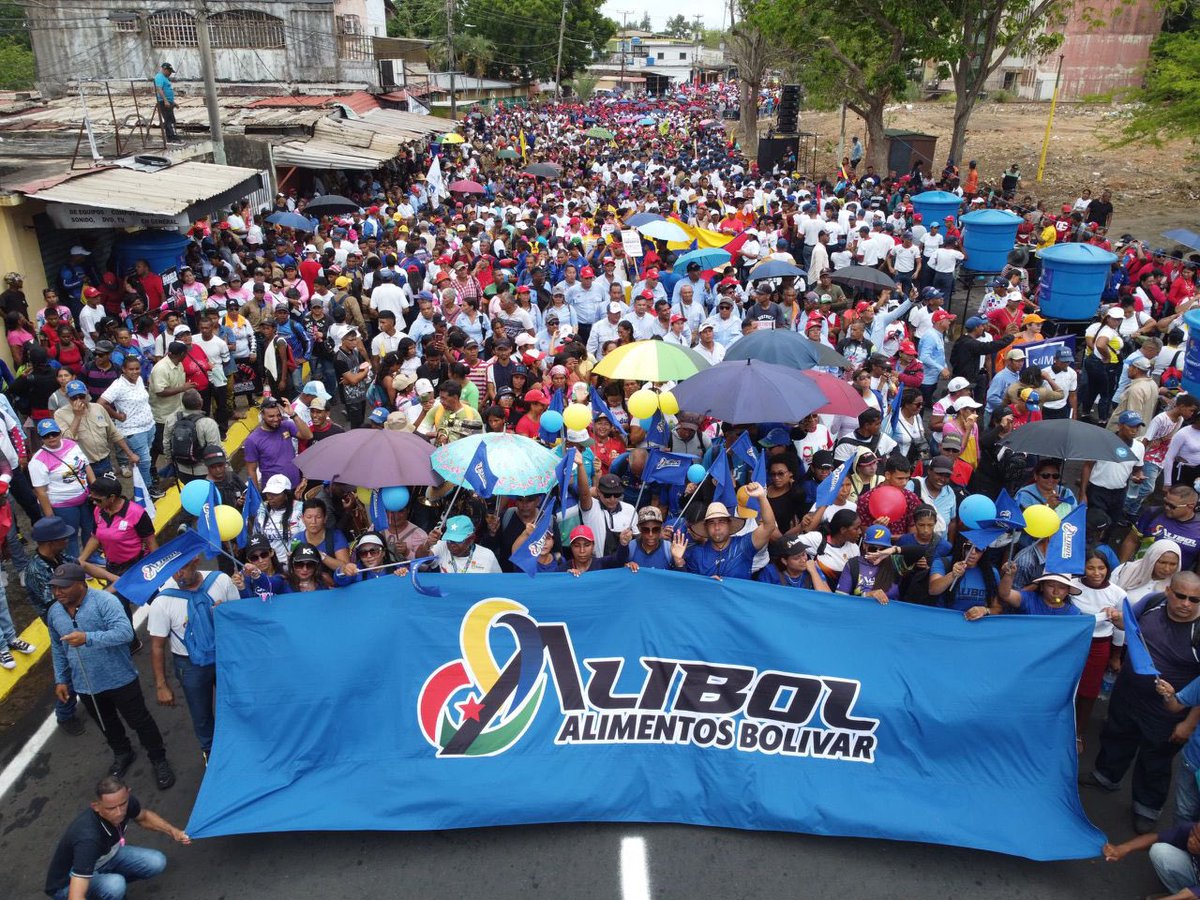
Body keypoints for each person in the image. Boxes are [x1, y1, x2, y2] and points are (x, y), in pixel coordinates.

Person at [1083, 571, 1200, 834]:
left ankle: (1147, 808)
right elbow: (1130, 624)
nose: (1186, 604)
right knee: (1116, 736)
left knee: (1155, 759)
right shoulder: (1153, 602)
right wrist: (1116, 618)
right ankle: (1106, 776)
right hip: (1128, 694)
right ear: (1169, 591)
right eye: (1180, 596)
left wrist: (1189, 724)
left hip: (1166, 711)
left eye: (1195, 600)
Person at [46, 563, 176, 789]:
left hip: (120, 679)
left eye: (63, 588)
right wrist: (61, 679)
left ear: (80, 584)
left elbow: (125, 633)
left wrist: (88, 638)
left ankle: (158, 758)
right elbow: (58, 648)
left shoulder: (105, 602)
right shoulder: (54, 612)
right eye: (54, 588)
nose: (58, 593)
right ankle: (123, 752)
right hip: (86, 685)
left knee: (140, 721)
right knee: (107, 724)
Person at [148, 555, 238, 760]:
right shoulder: (162, 601)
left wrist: (224, 612)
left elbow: (238, 618)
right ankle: (210, 752)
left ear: (195, 562)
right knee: (201, 714)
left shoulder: (221, 581)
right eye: (173, 571)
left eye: (183, 569)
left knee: (235, 702)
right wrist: (161, 685)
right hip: (189, 665)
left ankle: (239, 743)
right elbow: (157, 646)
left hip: (225, 656)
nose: (178, 575)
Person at [43, 776, 189, 900]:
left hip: (105, 858)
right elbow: (76, 896)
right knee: (115, 885)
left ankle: (108, 888)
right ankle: (105, 890)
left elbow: (143, 817)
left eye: (123, 804)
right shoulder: (88, 838)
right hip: (68, 883)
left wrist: (173, 831)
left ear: (127, 794)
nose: (119, 812)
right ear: (96, 806)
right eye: (111, 808)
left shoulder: (123, 802)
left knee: (156, 861)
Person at [672, 487, 777, 580]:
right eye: (712, 523)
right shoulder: (697, 554)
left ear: (729, 524)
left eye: (721, 522)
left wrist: (762, 497)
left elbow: (769, 526)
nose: (717, 527)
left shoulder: (744, 545)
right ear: (706, 528)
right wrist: (678, 561)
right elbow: (689, 586)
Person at [30, 418, 95, 558]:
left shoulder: (71, 444)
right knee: (69, 538)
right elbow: (41, 492)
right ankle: (75, 565)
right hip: (63, 505)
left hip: (85, 498)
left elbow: (86, 465)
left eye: (54, 433)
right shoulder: (37, 460)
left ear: (60, 432)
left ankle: (91, 558)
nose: (51, 438)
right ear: (41, 438)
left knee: (89, 529)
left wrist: (95, 488)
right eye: (46, 436)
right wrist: (50, 517)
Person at [242, 398, 312, 492]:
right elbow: (251, 470)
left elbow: (308, 435)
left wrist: (293, 415)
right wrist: (257, 496)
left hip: (295, 486)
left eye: (278, 415)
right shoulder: (252, 440)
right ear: (262, 415)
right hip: (274, 492)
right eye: (271, 416)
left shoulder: (287, 425)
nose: (276, 419)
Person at [164, 389, 221, 485]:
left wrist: (171, 463)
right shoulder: (208, 423)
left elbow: (166, 444)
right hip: (204, 471)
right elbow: (215, 448)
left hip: (182, 471)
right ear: (200, 403)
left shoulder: (171, 419)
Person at [427, 514, 501, 573]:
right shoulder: (442, 546)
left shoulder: (487, 555)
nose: (452, 544)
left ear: (471, 539)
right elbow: (421, 558)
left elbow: (498, 583)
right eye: (449, 540)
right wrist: (427, 544)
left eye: (457, 540)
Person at [153, 61, 181, 143]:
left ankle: (173, 135)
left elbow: (167, 90)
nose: (170, 74)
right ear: (164, 69)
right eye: (169, 71)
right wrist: (165, 100)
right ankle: (170, 137)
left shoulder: (165, 78)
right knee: (168, 120)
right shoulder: (159, 77)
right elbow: (159, 89)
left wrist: (173, 102)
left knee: (172, 119)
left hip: (169, 102)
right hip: (163, 102)